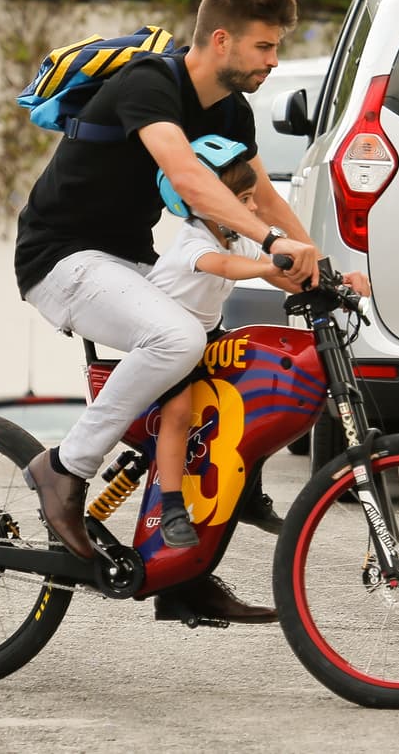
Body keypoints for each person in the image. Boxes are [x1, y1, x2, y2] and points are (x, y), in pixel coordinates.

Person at [14, 0, 367, 623]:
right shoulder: (152, 85)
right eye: (264, 46)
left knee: (216, 387)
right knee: (176, 339)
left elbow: (261, 195)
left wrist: (317, 262)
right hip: (61, 256)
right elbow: (187, 178)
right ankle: (64, 468)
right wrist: (269, 244)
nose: (274, 60)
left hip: (129, 262)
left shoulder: (230, 111)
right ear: (222, 38)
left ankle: (179, 572)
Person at [144, 140, 306, 550]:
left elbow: (279, 276)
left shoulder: (234, 237)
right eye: (244, 200)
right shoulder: (195, 240)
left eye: (251, 199)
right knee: (179, 414)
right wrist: (273, 260)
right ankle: (172, 508)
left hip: (206, 336)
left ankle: (248, 496)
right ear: (207, 203)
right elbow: (227, 266)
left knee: (253, 406)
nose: (252, 210)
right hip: (167, 340)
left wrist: (324, 280)